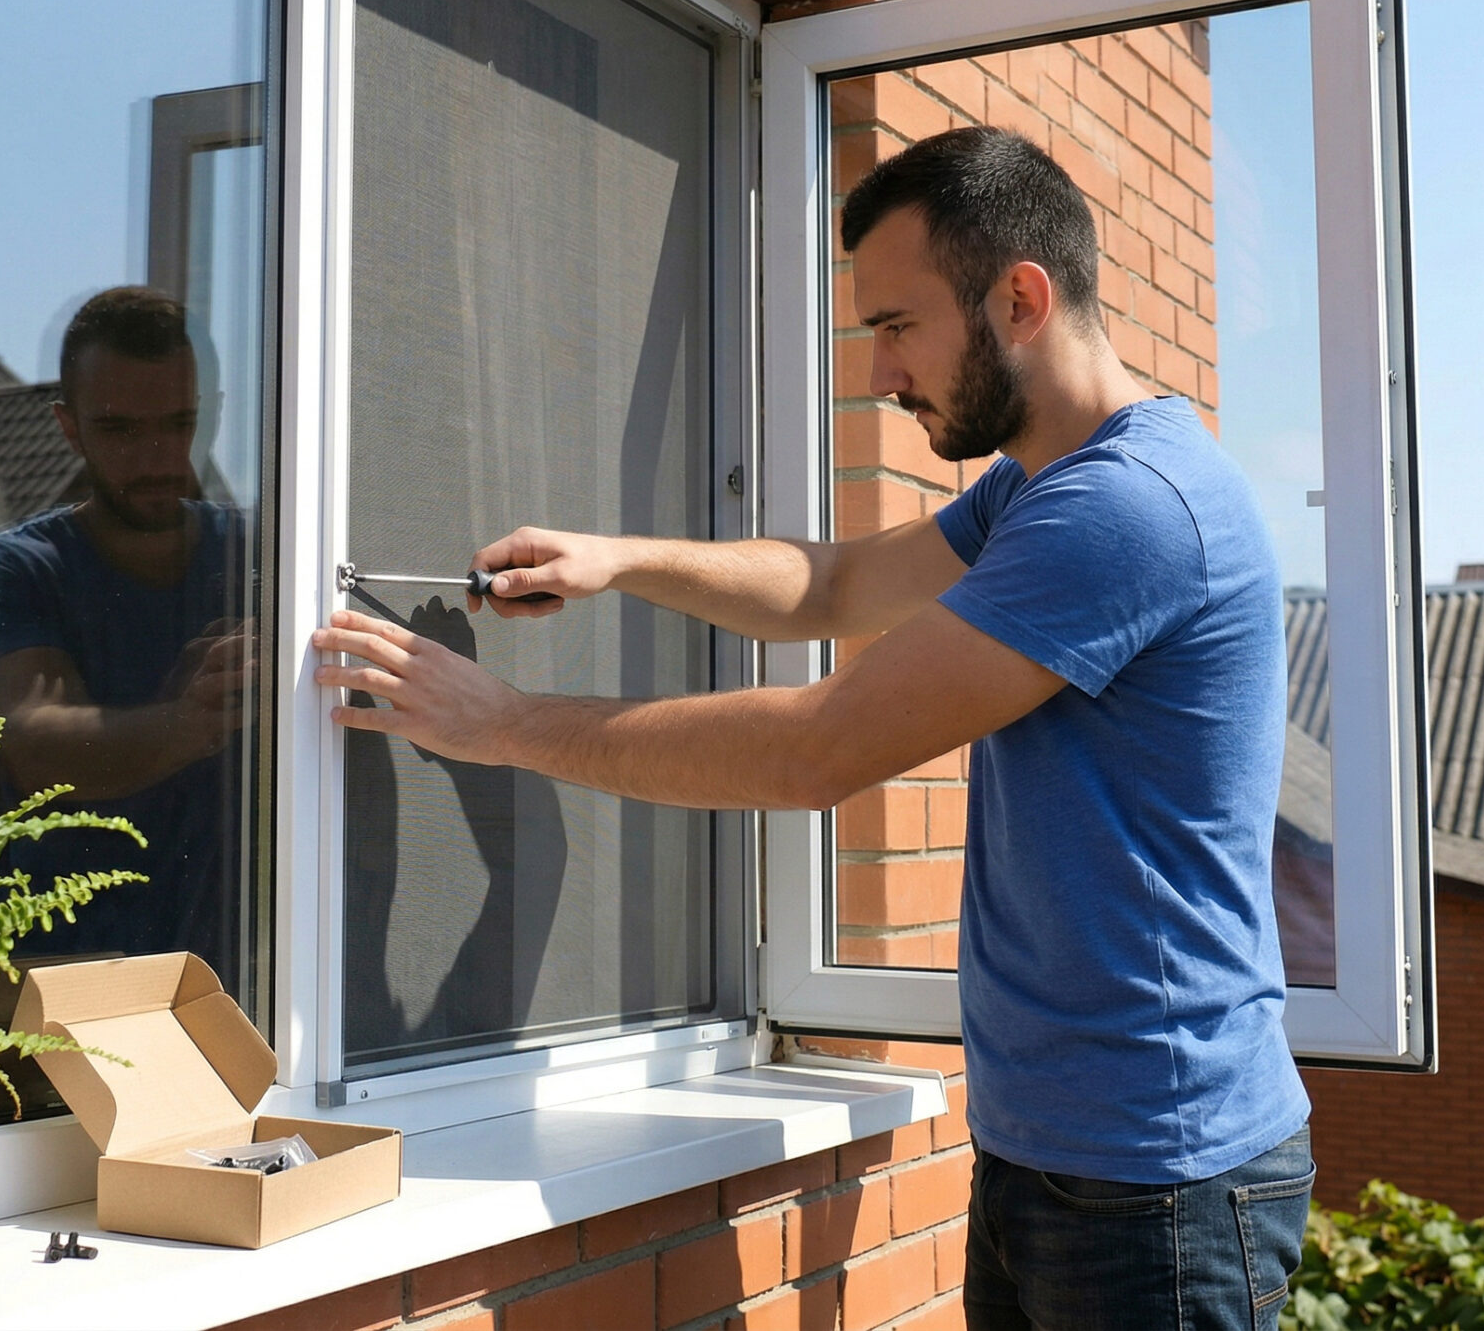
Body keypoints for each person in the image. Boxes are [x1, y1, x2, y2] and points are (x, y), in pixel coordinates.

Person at [312, 127, 1311, 1330]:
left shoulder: (1127, 512)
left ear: (1021, 297)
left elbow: (816, 749)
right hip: (1065, 1152)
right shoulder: (1044, 485)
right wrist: (620, 559)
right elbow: (833, 588)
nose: (879, 374)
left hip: (1155, 1184)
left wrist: (509, 723)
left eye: (896, 325)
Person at [0, 285, 254, 981]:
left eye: (178, 424)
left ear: (213, 417)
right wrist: (188, 722)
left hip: (241, 981)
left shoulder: (272, 553)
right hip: (50, 985)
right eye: (120, 429)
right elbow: (32, 743)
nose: (155, 456)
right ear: (69, 427)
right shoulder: (11, 570)